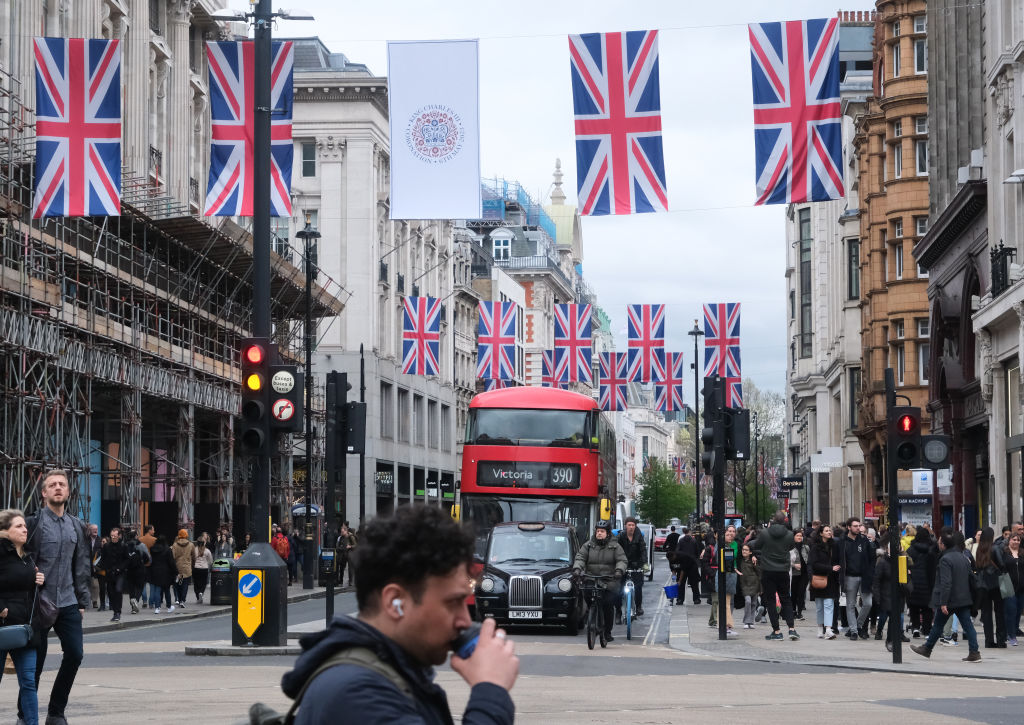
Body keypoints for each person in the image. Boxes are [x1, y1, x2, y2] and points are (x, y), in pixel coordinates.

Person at [279, 505, 516, 724]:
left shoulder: (395, 677)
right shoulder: (357, 694)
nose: (465, 620)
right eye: (452, 602)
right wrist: (490, 691)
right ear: (395, 602)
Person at [23, 469, 91, 725]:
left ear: (68, 492)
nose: (58, 488)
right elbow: (20, 557)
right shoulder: (33, 523)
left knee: (75, 654)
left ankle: (56, 712)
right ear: (44, 493)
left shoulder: (77, 525)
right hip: (38, 602)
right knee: (35, 664)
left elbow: (82, 566)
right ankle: (25, 715)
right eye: (52, 485)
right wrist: (30, 576)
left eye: (62, 484)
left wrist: (82, 601)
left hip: (68, 601)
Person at [0, 509, 46, 725]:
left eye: (25, 526)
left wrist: (38, 580)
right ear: (4, 531)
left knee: (28, 682)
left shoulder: (28, 557)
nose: (24, 529)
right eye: (18, 526)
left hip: (26, 627)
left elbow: (28, 588)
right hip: (2, 626)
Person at [911, 532, 981, 662]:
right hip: (963, 599)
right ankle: (974, 652)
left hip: (950, 600)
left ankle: (927, 648)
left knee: (938, 625)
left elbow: (946, 582)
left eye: (939, 542)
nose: (938, 543)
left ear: (943, 545)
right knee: (968, 627)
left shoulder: (945, 559)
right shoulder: (963, 557)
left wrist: (943, 602)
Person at [573, 520, 626, 642]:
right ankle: (592, 615)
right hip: (591, 578)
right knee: (586, 594)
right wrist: (577, 569)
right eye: (598, 531)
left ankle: (607, 631)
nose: (599, 533)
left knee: (607, 604)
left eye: (602, 531)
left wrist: (618, 571)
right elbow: (580, 557)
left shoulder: (615, 546)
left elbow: (622, 560)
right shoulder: (588, 545)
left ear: (607, 533)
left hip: (609, 579)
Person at [751, 511, 799, 641]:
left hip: (768, 570)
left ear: (772, 520)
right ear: (785, 520)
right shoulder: (789, 535)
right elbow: (791, 547)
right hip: (783, 570)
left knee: (771, 601)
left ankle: (777, 631)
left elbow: (757, 545)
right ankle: (792, 629)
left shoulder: (765, 533)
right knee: (786, 599)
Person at [838, 517, 875, 640]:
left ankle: (857, 626)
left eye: (859, 526)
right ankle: (854, 631)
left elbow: (872, 557)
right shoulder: (843, 541)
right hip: (849, 576)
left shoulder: (864, 541)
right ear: (849, 527)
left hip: (864, 576)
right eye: (855, 526)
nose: (858, 528)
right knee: (850, 605)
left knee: (868, 603)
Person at [974, 526, 1007, 647]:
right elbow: (1001, 564)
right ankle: (1001, 640)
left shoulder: (979, 549)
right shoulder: (995, 548)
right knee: (999, 612)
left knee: (986, 613)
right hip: (996, 583)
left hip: (983, 584)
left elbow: (977, 566)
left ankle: (989, 641)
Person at [807, 525, 840, 639]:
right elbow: (813, 564)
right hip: (818, 579)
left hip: (830, 580)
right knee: (820, 606)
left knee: (829, 604)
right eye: (826, 531)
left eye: (830, 530)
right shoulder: (815, 547)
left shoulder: (834, 546)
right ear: (821, 533)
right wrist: (830, 568)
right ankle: (820, 629)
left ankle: (828, 630)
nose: (829, 532)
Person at [615, 517, 648, 619]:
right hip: (623, 564)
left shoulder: (639, 536)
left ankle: (638, 607)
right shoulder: (621, 536)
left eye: (633, 525)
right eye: (629, 525)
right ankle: (618, 612)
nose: (631, 527)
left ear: (635, 526)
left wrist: (644, 563)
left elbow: (643, 550)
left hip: (636, 565)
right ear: (625, 526)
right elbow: (616, 550)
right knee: (618, 589)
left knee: (638, 587)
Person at [906, 527, 935, 638]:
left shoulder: (911, 549)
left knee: (914, 607)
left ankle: (916, 628)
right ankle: (927, 630)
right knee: (927, 608)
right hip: (927, 583)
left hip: (913, 582)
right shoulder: (931, 550)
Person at [100, 527, 131, 622]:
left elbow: (127, 559)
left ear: (119, 536)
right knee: (110, 592)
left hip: (120, 573)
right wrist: (105, 568)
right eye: (111, 536)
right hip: (109, 573)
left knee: (118, 590)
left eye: (115, 536)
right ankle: (115, 611)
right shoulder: (106, 546)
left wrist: (120, 568)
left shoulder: (123, 546)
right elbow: (103, 559)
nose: (113, 537)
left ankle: (117, 612)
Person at [147, 535, 176, 612]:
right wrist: (175, 571)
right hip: (166, 572)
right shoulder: (168, 550)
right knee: (167, 590)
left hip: (155, 571)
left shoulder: (153, 549)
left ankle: (157, 608)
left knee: (157, 590)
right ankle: (169, 607)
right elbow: (171, 562)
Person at [674, 527, 702, 605]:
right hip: (692, 565)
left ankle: (680, 599)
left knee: (681, 583)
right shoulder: (694, 541)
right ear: (689, 532)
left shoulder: (681, 541)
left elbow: (677, 552)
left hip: (682, 565)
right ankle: (696, 599)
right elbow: (697, 552)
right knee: (694, 583)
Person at [737, 542, 760, 629]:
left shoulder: (754, 561)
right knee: (748, 601)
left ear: (750, 552)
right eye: (743, 550)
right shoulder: (740, 560)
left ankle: (751, 621)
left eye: (746, 550)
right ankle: (747, 621)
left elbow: (759, 572)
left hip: (754, 583)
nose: (744, 551)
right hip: (745, 584)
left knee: (754, 603)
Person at [172, 529, 195, 607]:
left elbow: (173, 557)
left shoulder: (175, 545)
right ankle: (182, 600)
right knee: (185, 585)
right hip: (187, 567)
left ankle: (178, 598)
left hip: (177, 567)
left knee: (177, 584)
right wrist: (192, 564)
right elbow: (194, 556)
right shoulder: (191, 545)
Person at [790, 529, 809, 620]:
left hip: (804, 574)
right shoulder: (789, 547)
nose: (799, 537)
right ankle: (793, 610)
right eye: (797, 536)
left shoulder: (806, 547)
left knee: (801, 592)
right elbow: (785, 560)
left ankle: (800, 612)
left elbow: (809, 559)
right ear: (793, 537)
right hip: (794, 574)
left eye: (800, 536)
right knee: (793, 593)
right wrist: (794, 565)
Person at [192, 538, 214, 604]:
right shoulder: (207, 551)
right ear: (204, 543)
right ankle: (201, 592)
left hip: (196, 568)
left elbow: (192, 558)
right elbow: (211, 561)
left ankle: (197, 596)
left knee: (196, 583)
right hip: (204, 568)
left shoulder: (194, 550)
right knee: (203, 583)